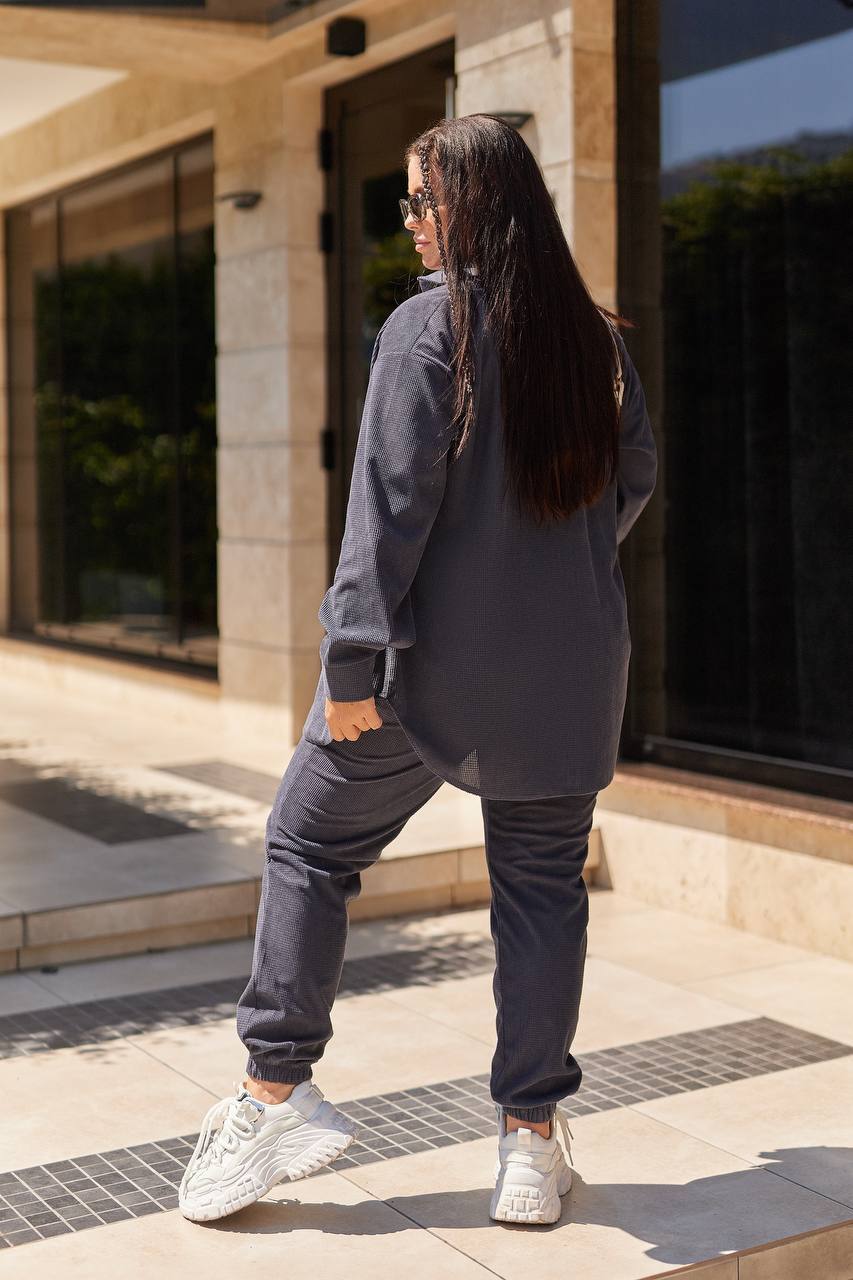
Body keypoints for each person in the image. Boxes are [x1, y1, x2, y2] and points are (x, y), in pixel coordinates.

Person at [179, 113, 657, 1227]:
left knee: (307, 841)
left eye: (422, 201)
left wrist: (349, 660)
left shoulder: (426, 327)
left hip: (421, 675)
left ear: (475, 206)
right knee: (540, 894)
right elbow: (628, 488)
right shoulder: (596, 342)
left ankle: (274, 1092)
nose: (410, 222)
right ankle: (528, 1144)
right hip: (570, 675)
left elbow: (386, 511)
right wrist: (543, 578)